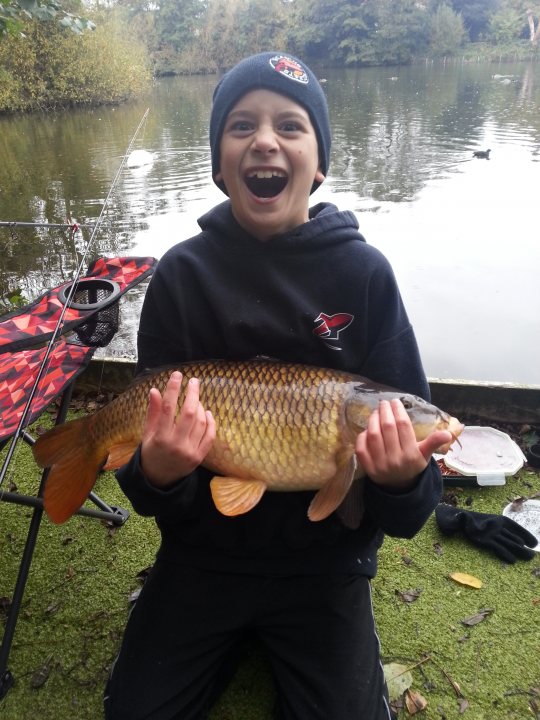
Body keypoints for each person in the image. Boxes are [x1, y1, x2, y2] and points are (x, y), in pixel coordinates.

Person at [104, 51, 451, 720]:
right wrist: (161, 472)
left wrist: (402, 480)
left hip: (325, 572)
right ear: (218, 163)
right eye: (242, 125)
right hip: (202, 558)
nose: (265, 140)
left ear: (318, 162)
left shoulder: (365, 275)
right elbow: (149, 494)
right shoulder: (181, 277)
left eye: (291, 126)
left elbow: (410, 515)